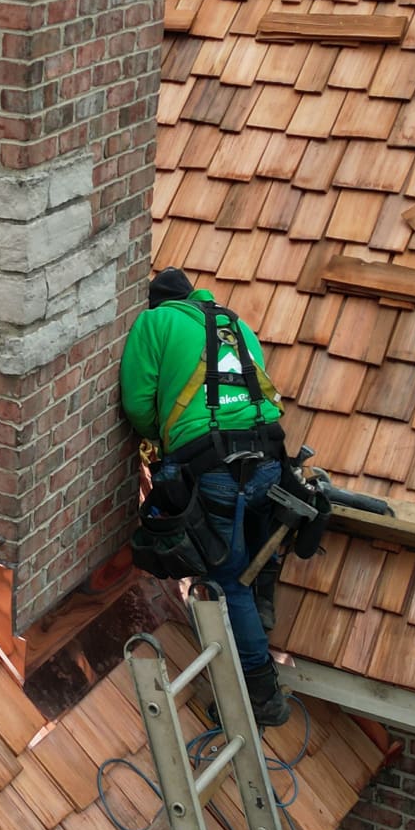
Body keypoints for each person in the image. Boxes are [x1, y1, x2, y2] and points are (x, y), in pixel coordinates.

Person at [120, 267, 294, 724]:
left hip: (214, 468)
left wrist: (160, 439)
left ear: (157, 304)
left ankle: (262, 696)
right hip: (270, 459)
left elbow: (138, 402)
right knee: (255, 557)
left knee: (227, 580)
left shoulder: (154, 322)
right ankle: (261, 613)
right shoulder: (232, 321)